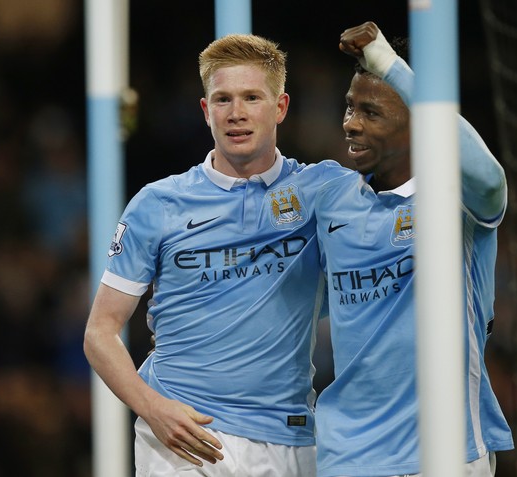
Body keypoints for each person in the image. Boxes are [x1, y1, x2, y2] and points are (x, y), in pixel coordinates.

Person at [83, 33, 352, 477]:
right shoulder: (158, 204)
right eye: (223, 100)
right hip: (184, 436)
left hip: (290, 438)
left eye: (252, 97)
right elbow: (100, 332)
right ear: (206, 111)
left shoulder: (322, 191)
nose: (237, 113)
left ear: (280, 107)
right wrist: (153, 408)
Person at [313, 22, 514, 476]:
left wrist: (387, 63)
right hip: (346, 454)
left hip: (446, 451)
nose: (351, 123)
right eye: (349, 108)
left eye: (371, 112)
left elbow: (490, 176)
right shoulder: (331, 200)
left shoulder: (458, 199)